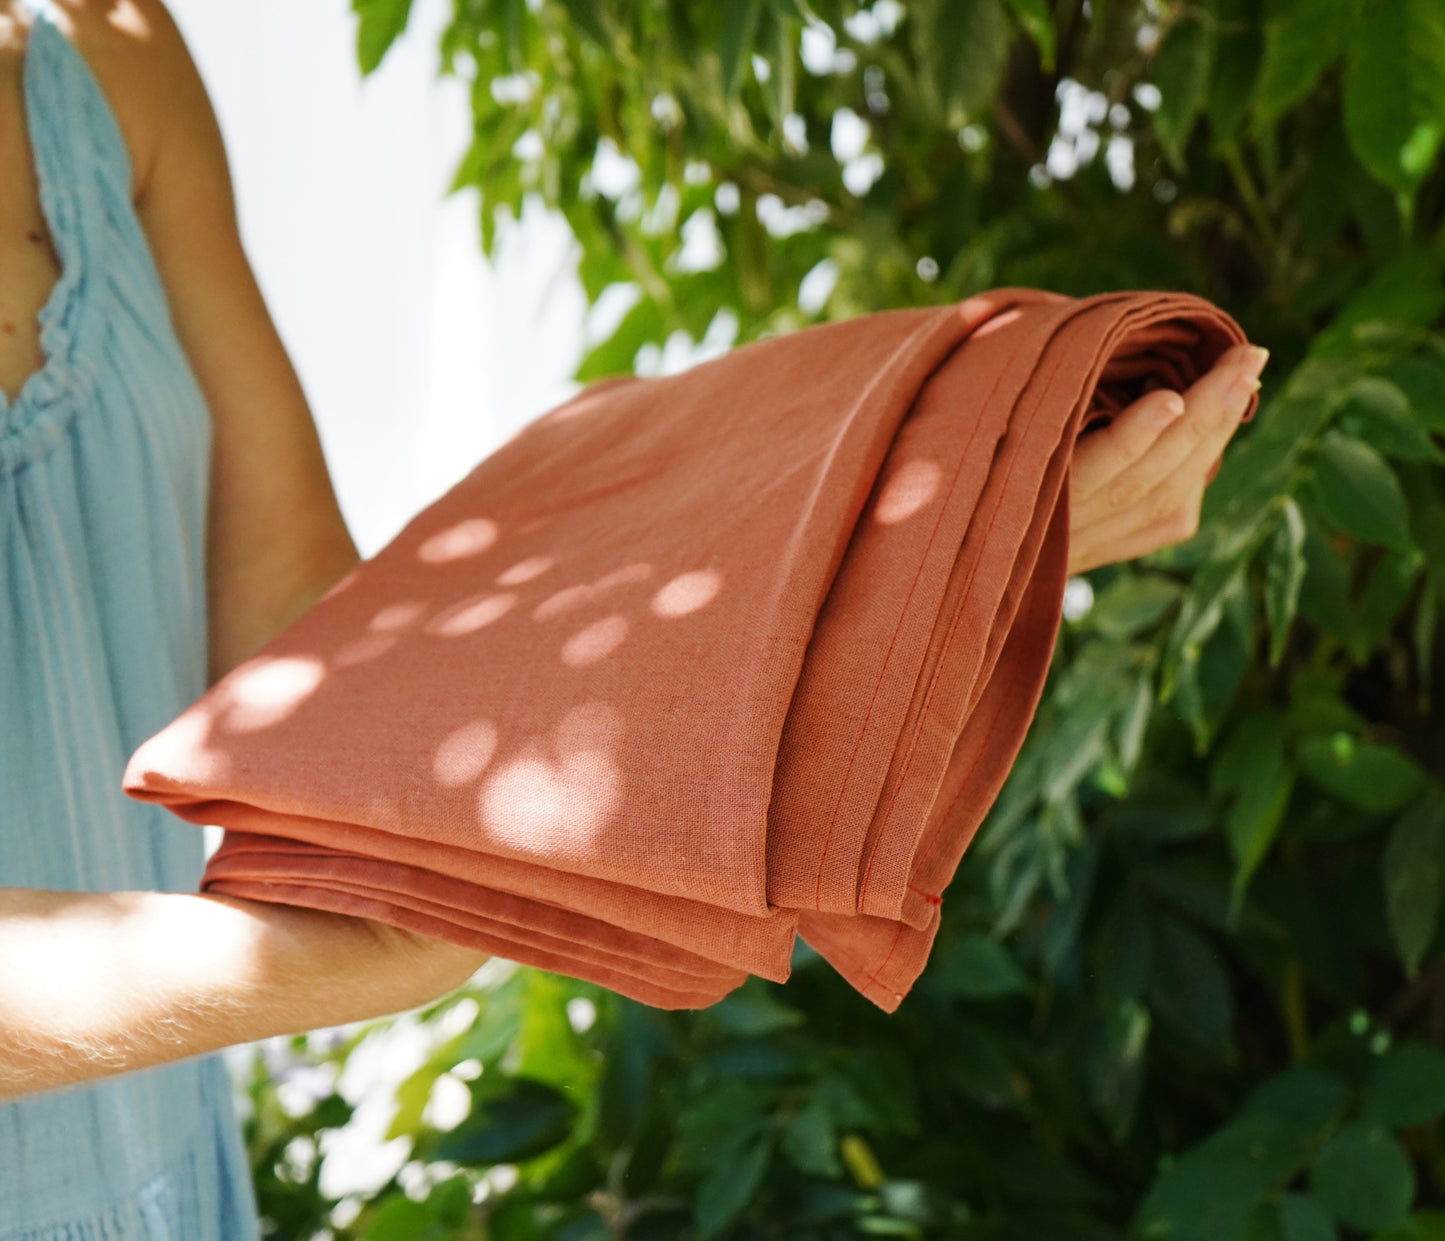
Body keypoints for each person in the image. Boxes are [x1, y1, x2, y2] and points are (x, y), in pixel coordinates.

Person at [0, 0, 1268, 1234]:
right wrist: (314, 955)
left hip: (166, 1183)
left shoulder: (106, 62)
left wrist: (934, 543)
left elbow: (292, 671)